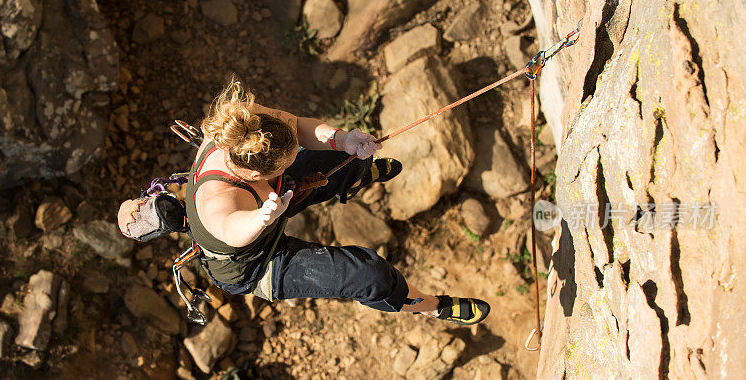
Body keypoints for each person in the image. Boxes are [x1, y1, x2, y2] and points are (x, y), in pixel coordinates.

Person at [119, 80, 490, 325]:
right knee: (368, 275)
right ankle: (431, 306)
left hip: (268, 203)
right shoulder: (218, 201)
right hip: (252, 262)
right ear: (251, 175)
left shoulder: (248, 125)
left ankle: (353, 178)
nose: (296, 151)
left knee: (346, 157)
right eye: (287, 156)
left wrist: (343, 140)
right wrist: (263, 218)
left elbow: (297, 129)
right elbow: (232, 229)